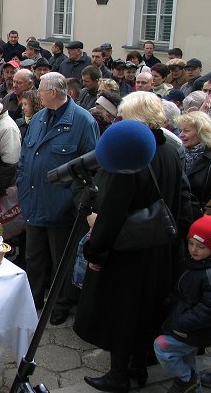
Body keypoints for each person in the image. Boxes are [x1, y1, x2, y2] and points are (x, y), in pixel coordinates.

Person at [74, 92, 187, 393]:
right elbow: (182, 198)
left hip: (126, 251)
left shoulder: (128, 154)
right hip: (159, 248)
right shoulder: (171, 150)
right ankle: (139, 367)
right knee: (145, 309)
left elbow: (111, 210)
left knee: (122, 312)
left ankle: (119, 374)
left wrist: (95, 250)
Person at [17, 72, 99, 324]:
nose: (36, 94)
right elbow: (25, 157)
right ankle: (34, 297)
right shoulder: (40, 118)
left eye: (40, 90)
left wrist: (77, 203)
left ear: (53, 93)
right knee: (34, 255)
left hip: (61, 205)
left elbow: (92, 167)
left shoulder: (83, 122)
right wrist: (22, 186)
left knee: (61, 256)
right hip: (33, 199)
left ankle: (62, 304)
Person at [154, 214, 211, 393]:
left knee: (162, 346)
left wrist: (182, 321)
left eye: (201, 246)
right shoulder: (193, 262)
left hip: (194, 328)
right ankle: (193, 385)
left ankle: (186, 379)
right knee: (187, 359)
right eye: (191, 244)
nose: (194, 250)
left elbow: (208, 309)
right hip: (188, 324)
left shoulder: (208, 273)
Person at [177, 111, 211, 214]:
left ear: (202, 132)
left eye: (186, 131)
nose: (180, 135)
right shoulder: (179, 153)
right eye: (180, 130)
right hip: (180, 218)